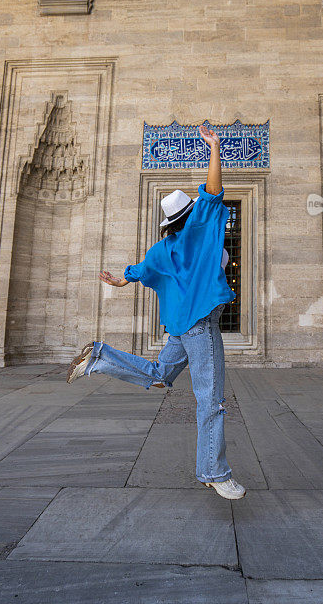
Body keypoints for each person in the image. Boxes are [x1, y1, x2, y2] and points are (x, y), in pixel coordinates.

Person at [66, 124, 246, 500]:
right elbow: (212, 191)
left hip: (179, 329)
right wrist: (214, 147)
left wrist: (119, 281)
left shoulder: (158, 252)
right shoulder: (199, 231)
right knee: (210, 402)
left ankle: (98, 357)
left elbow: (137, 272)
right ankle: (214, 471)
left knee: (160, 376)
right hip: (198, 327)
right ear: (190, 216)